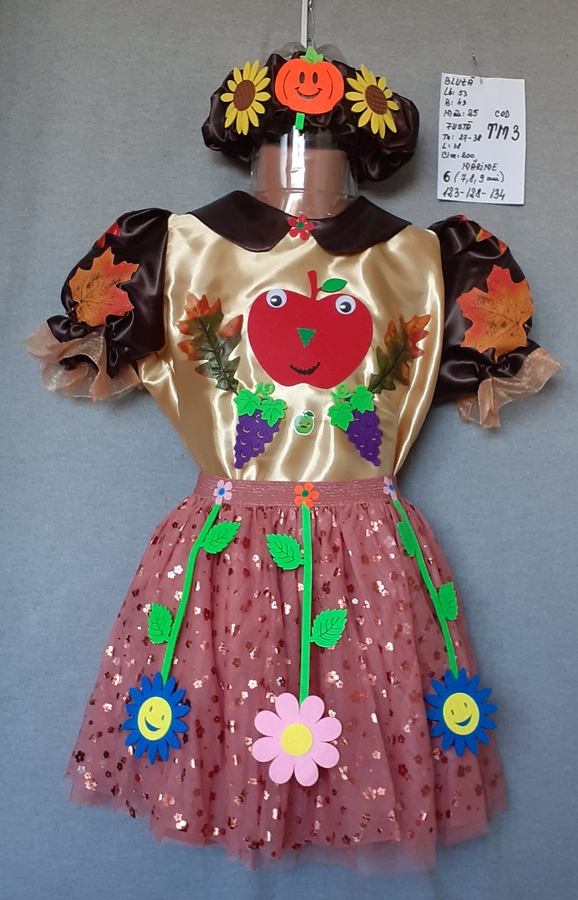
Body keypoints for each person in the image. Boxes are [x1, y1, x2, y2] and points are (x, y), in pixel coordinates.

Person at [26, 46, 559, 871]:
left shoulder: (433, 258)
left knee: (363, 719)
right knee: (219, 716)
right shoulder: (169, 248)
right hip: (224, 544)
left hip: (366, 551)